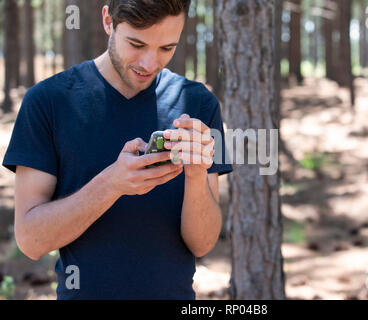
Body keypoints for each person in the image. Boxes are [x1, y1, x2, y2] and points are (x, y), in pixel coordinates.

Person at [2, 0, 232, 300]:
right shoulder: (48, 102)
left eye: (166, 48)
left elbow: (202, 244)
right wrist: (111, 184)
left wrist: (197, 174)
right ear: (108, 21)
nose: (149, 63)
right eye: (136, 43)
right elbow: (30, 241)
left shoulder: (199, 105)